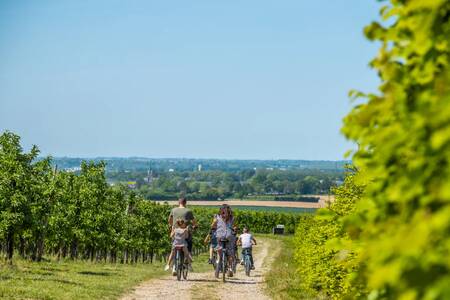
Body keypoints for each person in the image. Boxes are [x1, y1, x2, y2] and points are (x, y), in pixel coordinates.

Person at [168, 197, 197, 274]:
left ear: (179, 202)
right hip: (185, 233)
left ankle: (174, 266)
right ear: (185, 203)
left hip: (175, 233)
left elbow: (169, 221)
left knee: (173, 249)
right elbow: (194, 222)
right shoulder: (188, 211)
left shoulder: (173, 210)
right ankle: (188, 263)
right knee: (189, 247)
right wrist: (194, 226)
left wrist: (172, 227)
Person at [211, 204, 235, 277]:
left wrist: (215, 226)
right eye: (223, 212)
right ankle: (226, 267)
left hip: (224, 237)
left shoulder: (229, 218)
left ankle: (224, 266)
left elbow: (212, 226)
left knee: (224, 252)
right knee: (226, 252)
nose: (224, 214)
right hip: (224, 237)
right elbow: (212, 226)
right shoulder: (229, 218)